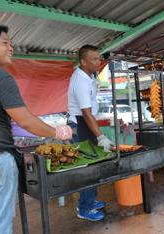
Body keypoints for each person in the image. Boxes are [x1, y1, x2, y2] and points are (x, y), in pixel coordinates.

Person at [0, 25, 72, 234]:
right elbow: (25, 120)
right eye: (5, 43)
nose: (11, 48)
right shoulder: (0, 77)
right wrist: (57, 132)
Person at [68, 45, 113, 221]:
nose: (98, 62)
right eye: (94, 59)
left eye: (99, 58)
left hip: (86, 121)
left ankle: (90, 200)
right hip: (80, 123)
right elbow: (86, 113)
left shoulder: (88, 75)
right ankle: (84, 208)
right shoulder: (80, 80)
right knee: (88, 168)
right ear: (83, 62)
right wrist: (101, 136)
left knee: (95, 165)